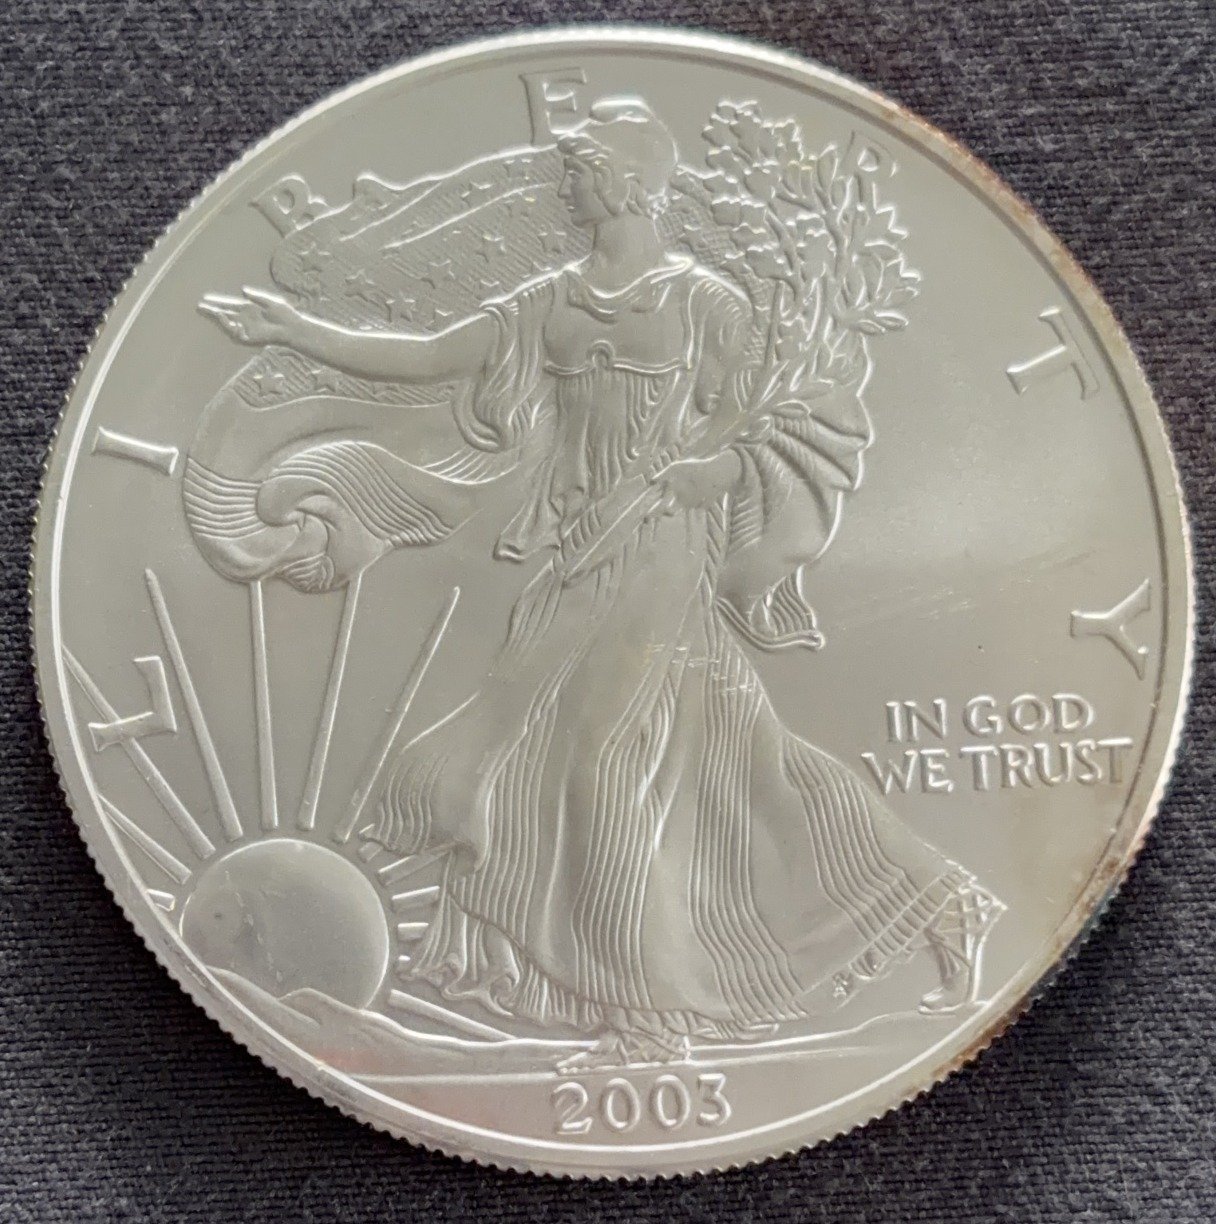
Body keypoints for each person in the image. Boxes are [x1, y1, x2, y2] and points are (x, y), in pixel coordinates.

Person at [201, 98, 1001, 1070]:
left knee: (594, 762)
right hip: (577, 554)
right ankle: (936, 899)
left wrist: (708, 473)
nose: (568, 187)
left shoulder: (706, 303)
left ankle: (649, 1018)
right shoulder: (555, 300)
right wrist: (297, 330)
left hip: (662, 547)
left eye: (580, 173)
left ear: (623, 183)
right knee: (738, 760)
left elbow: (768, 428)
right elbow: (431, 359)